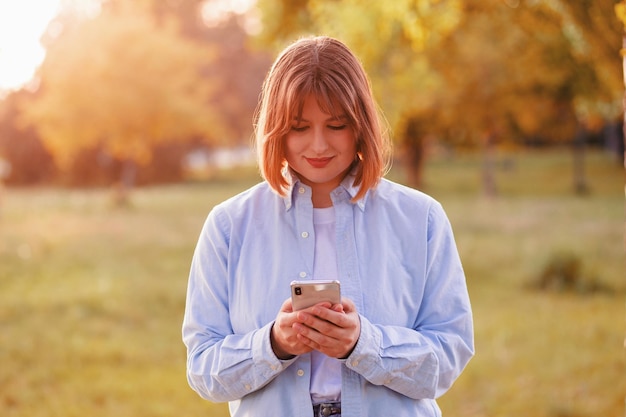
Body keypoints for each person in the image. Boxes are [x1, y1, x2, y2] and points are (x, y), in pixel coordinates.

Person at [182, 35, 474, 417]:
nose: (318, 145)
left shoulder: (422, 219)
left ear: (360, 125)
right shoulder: (228, 225)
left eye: (335, 125)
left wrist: (363, 343)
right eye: (300, 127)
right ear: (276, 129)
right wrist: (273, 344)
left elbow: (449, 356)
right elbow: (203, 368)